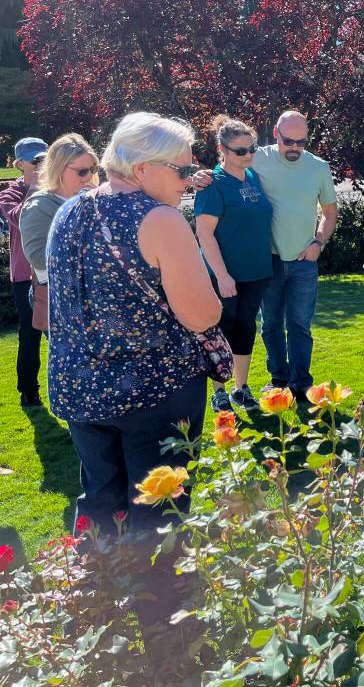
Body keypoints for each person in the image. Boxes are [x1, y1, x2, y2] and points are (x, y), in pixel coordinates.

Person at [46, 112, 221, 652]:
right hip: (153, 392)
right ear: (142, 168)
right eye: (182, 170)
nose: (190, 180)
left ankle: (94, 613)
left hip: (81, 388)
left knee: (99, 500)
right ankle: (167, 634)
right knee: (159, 511)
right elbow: (201, 315)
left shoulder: (69, 209)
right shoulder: (159, 219)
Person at [252, 111, 336, 398]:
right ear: (276, 134)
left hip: (304, 261)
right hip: (269, 259)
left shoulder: (318, 167)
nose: (295, 148)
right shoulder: (257, 157)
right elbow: (225, 169)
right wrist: (200, 176)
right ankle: (278, 380)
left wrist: (318, 242)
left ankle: (302, 384)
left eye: (302, 142)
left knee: (300, 325)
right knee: (271, 325)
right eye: (289, 141)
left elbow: (329, 212)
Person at [194, 116, 274, 412]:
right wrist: (222, 275)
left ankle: (241, 388)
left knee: (245, 328)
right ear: (222, 150)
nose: (248, 155)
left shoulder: (252, 177)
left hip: (256, 271)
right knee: (221, 329)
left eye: (251, 148)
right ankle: (219, 391)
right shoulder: (213, 184)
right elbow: (204, 233)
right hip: (225, 274)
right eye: (240, 151)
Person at [20, 134, 99, 332]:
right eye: (82, 171)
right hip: (60, 301)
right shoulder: (39, 205)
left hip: (93, 300)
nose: (89, 176)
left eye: (92, 169)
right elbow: (38, 258)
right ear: (58, 168)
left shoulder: (90, 200)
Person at [0, 137, 47, 407]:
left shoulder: (59, 186)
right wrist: (38, 187)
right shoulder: (9, 193)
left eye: (45, 159)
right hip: (25, 275)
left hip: (55, 271)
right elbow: (19, 218)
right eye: (36, 161)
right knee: (30, 334)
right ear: (19, 165)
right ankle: (29, 390)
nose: (42, 165)